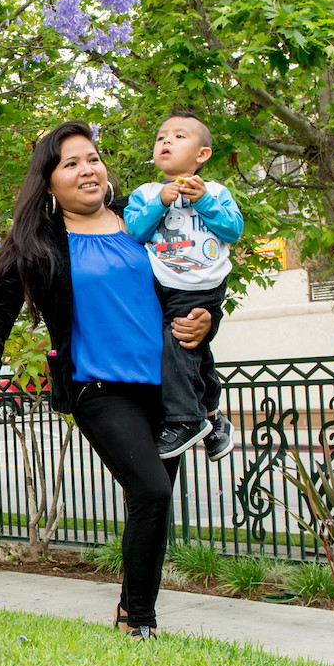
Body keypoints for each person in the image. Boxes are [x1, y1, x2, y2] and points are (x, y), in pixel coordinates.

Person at [0, 121, 211, 641]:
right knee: (151, 492)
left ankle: (128, 609)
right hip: (99, 389)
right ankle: (142, 622)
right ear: (49, 184)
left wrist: (206, 318)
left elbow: (194, 281)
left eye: (92, 158)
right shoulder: (39, 241)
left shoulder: (145, 219)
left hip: (167, 388)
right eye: (70, 164)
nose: (87, 169)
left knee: (153, 505)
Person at [124, 110, 243, 461]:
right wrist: (160, 202)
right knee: (190, 349)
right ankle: (211, 417)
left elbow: (232, 230)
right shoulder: (146, 193)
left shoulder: (217, 191)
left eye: (178, 137)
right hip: (165, 283)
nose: (166, 142)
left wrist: (203, 200)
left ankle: (185, 419)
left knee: (178, 345)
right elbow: (135, 230)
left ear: (202, 154)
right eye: (162, 137)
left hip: (203, 283)